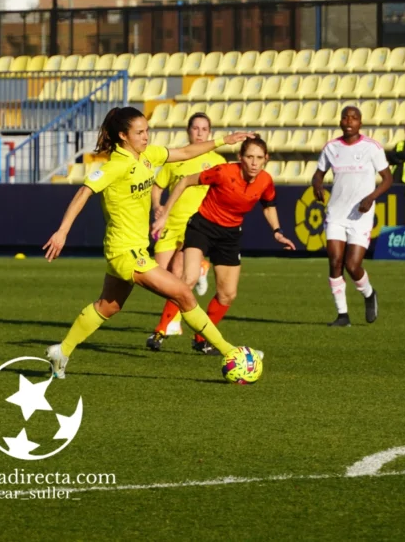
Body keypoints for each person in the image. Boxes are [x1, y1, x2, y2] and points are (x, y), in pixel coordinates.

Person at [41, 106, 257, 379]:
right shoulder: (116, 165)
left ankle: (62, 350)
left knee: (109, 306)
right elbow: (84, 192)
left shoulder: (147, 155)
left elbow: (185, 152)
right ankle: (231, 353)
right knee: (183, 293)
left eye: (147, 131)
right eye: (139, 132)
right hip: (124, 251)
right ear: (123, 136)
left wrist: (223, 141)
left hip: (135, 247)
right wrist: (62, 232)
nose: (146, 137)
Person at [150, 138, 296, 354]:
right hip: (202, 227)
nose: (254, 163)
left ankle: (201, 339)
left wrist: (277, 231)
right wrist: (164, 215)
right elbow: (185, 181)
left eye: (259, 158)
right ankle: (160, 332)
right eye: (249, 157)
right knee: (188, 279)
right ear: (240, 158)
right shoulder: (223, 172)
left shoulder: (265, 180)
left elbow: (268, 205)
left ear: (266, 159)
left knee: (228, 294)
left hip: (230, 235)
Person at [145, 112, 224, 351]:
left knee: (179, 273)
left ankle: (164, 328)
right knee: (159, 277)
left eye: (204, 129)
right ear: (188, 131)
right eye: (195, 128)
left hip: (197, 225)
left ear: (209, 133)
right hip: (171, 223)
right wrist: (157, 207)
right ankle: (201, 268)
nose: (199, 133)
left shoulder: (217, 161)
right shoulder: (176, 158)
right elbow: (157, 187)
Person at [312, 106, 393, 327]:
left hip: (361, 216)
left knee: (352, 265)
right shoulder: (331, 148)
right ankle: (342, 315)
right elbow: (318, 175)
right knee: (335, 261)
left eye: (354, 118)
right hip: (336, 214)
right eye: (345, 117)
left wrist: (371, 197)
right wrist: (317, 186)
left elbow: (387, 178)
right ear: (340, 122)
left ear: (360, 122)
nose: (349, 121)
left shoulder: (372, 148)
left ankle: (368, 294)